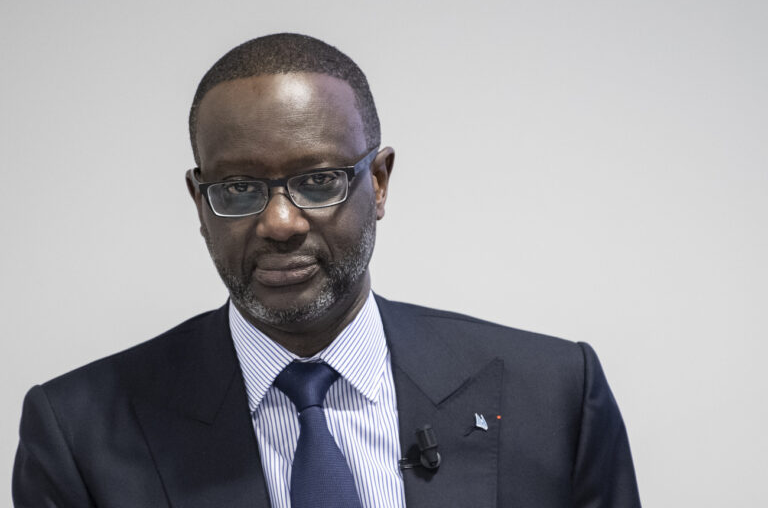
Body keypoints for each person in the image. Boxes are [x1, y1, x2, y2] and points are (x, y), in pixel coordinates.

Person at [12, 33, 641, 508]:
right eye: (237, 189)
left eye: (318, 181)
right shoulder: (78, 433)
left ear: (380, 181)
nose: (280, 222)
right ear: (199, 204)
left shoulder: (554, 395)